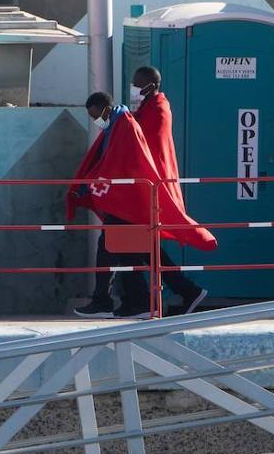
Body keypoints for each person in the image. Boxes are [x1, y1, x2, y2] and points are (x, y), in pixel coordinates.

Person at [67, 91, 216, 319]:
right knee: (138, 252)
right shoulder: (119, 123)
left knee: (114, 248)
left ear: (105, 108)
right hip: (129, 199)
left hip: (128, 200)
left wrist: (92, 183)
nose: (95, 121)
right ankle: (174, 293)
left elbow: (118, 163)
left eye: (95, 115)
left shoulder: (124, 125)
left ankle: (108, 301)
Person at [129, 66, 209, 316]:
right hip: (144, 187)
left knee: (134, 244)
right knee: (140, 245)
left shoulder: (158, 110)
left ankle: (153, 298)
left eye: (137, 83)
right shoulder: (148, 108)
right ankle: (183, 290)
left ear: (150, 85)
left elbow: (143, 143)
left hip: (150, 188)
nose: (133, 88)